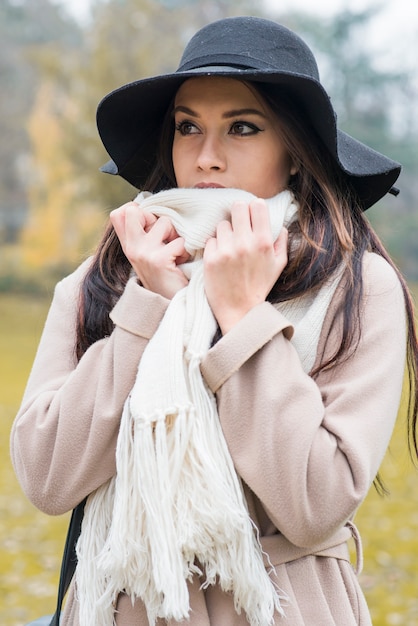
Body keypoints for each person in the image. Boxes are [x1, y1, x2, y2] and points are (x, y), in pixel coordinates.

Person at [11, 15, 418, 626]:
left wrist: (243, 315)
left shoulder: (356, 289)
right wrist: (150, 309)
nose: (206, 157)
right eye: (187, 127)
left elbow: (315, 502)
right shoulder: (103, 281)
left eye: (243, 128)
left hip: (283, 609)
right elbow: (47, 477)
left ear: (296, 154)